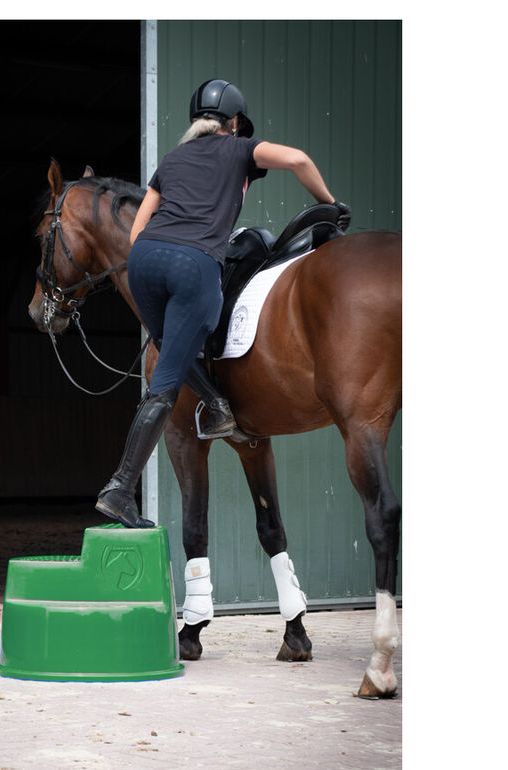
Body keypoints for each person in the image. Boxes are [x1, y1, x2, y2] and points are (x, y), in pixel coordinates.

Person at [96, 79, 351, 528]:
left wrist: (152, 259)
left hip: (144, 262)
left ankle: (215, 404)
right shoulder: (239, 148)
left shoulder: (172, 160)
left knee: (171, 344)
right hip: (195, 265)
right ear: (232, 123)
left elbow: (137, 231)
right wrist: (329, 204)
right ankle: (119, 489)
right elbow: (298, 159)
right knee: (170, 378)